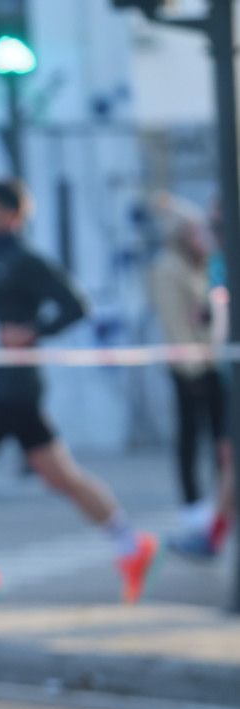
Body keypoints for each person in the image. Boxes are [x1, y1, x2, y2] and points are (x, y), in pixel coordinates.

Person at [0, 179, 158, 603]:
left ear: (11, 216)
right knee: (61, 476)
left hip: (15, 387)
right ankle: (131, 545)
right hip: (4, 382)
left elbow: (76, 306)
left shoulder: (26, 260)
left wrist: (34, 331)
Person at [148, 194, 230, 559]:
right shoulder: (171, 267)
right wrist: (193, 370)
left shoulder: (204, 264)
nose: (208, 237)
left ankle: (213, 528)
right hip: (194, 367)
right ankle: (201, 519)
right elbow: (177, 323)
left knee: (225, 447)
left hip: (213, 363)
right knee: (200, 440)